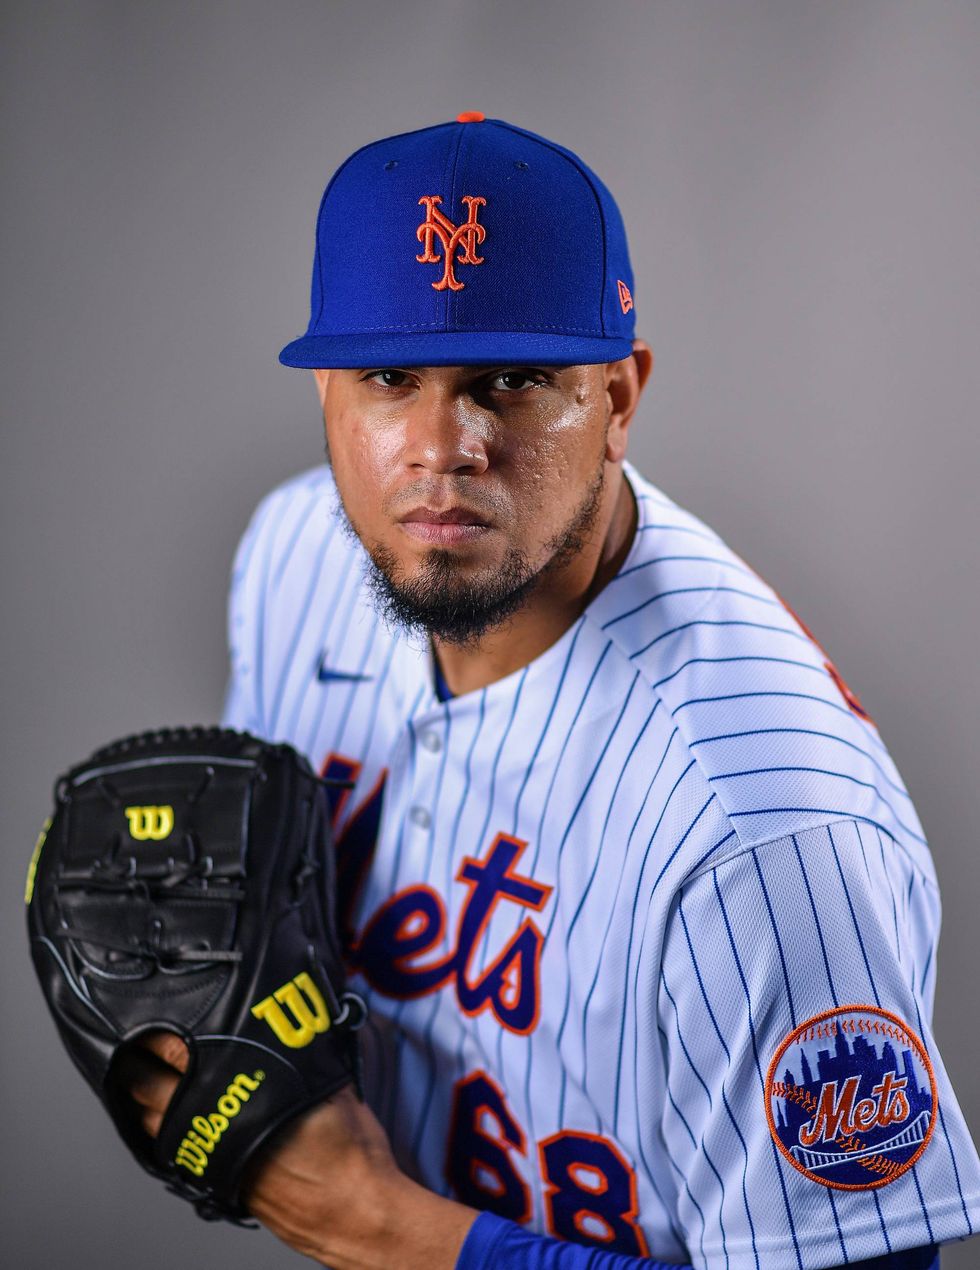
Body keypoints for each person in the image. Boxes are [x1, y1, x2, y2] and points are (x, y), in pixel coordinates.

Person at [125, 114, 980, 1269]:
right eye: (389, 378)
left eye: (512, 380)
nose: (442, 444)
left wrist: (379, 1226)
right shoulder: (292, 562)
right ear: (327, 393)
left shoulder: (766, 837)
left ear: (620, 398)